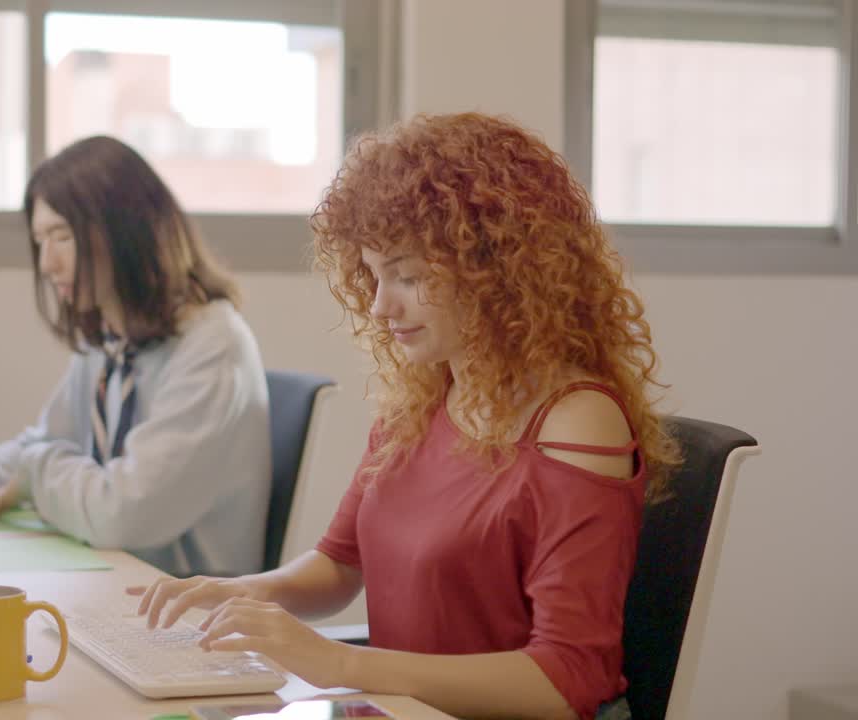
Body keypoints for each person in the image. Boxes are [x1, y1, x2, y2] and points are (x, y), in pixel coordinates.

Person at [130, 113, 681, 720]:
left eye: (408, 276)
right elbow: (339, 566)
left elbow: (565, 679)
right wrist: (240, 594)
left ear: (496, 268)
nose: (379, 304)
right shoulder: (424, 400)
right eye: (373, 274)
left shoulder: (576, 423)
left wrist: (342, 664)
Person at [0, 136, 272, 578]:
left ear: (128, 231)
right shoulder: (111, 340)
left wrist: (34, 477)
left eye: (62, 237)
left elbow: (120, 514)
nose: (48, 265)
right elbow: (47, 442)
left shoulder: (213, 347)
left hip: (190, 620)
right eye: (40, 241)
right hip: (117, 588)